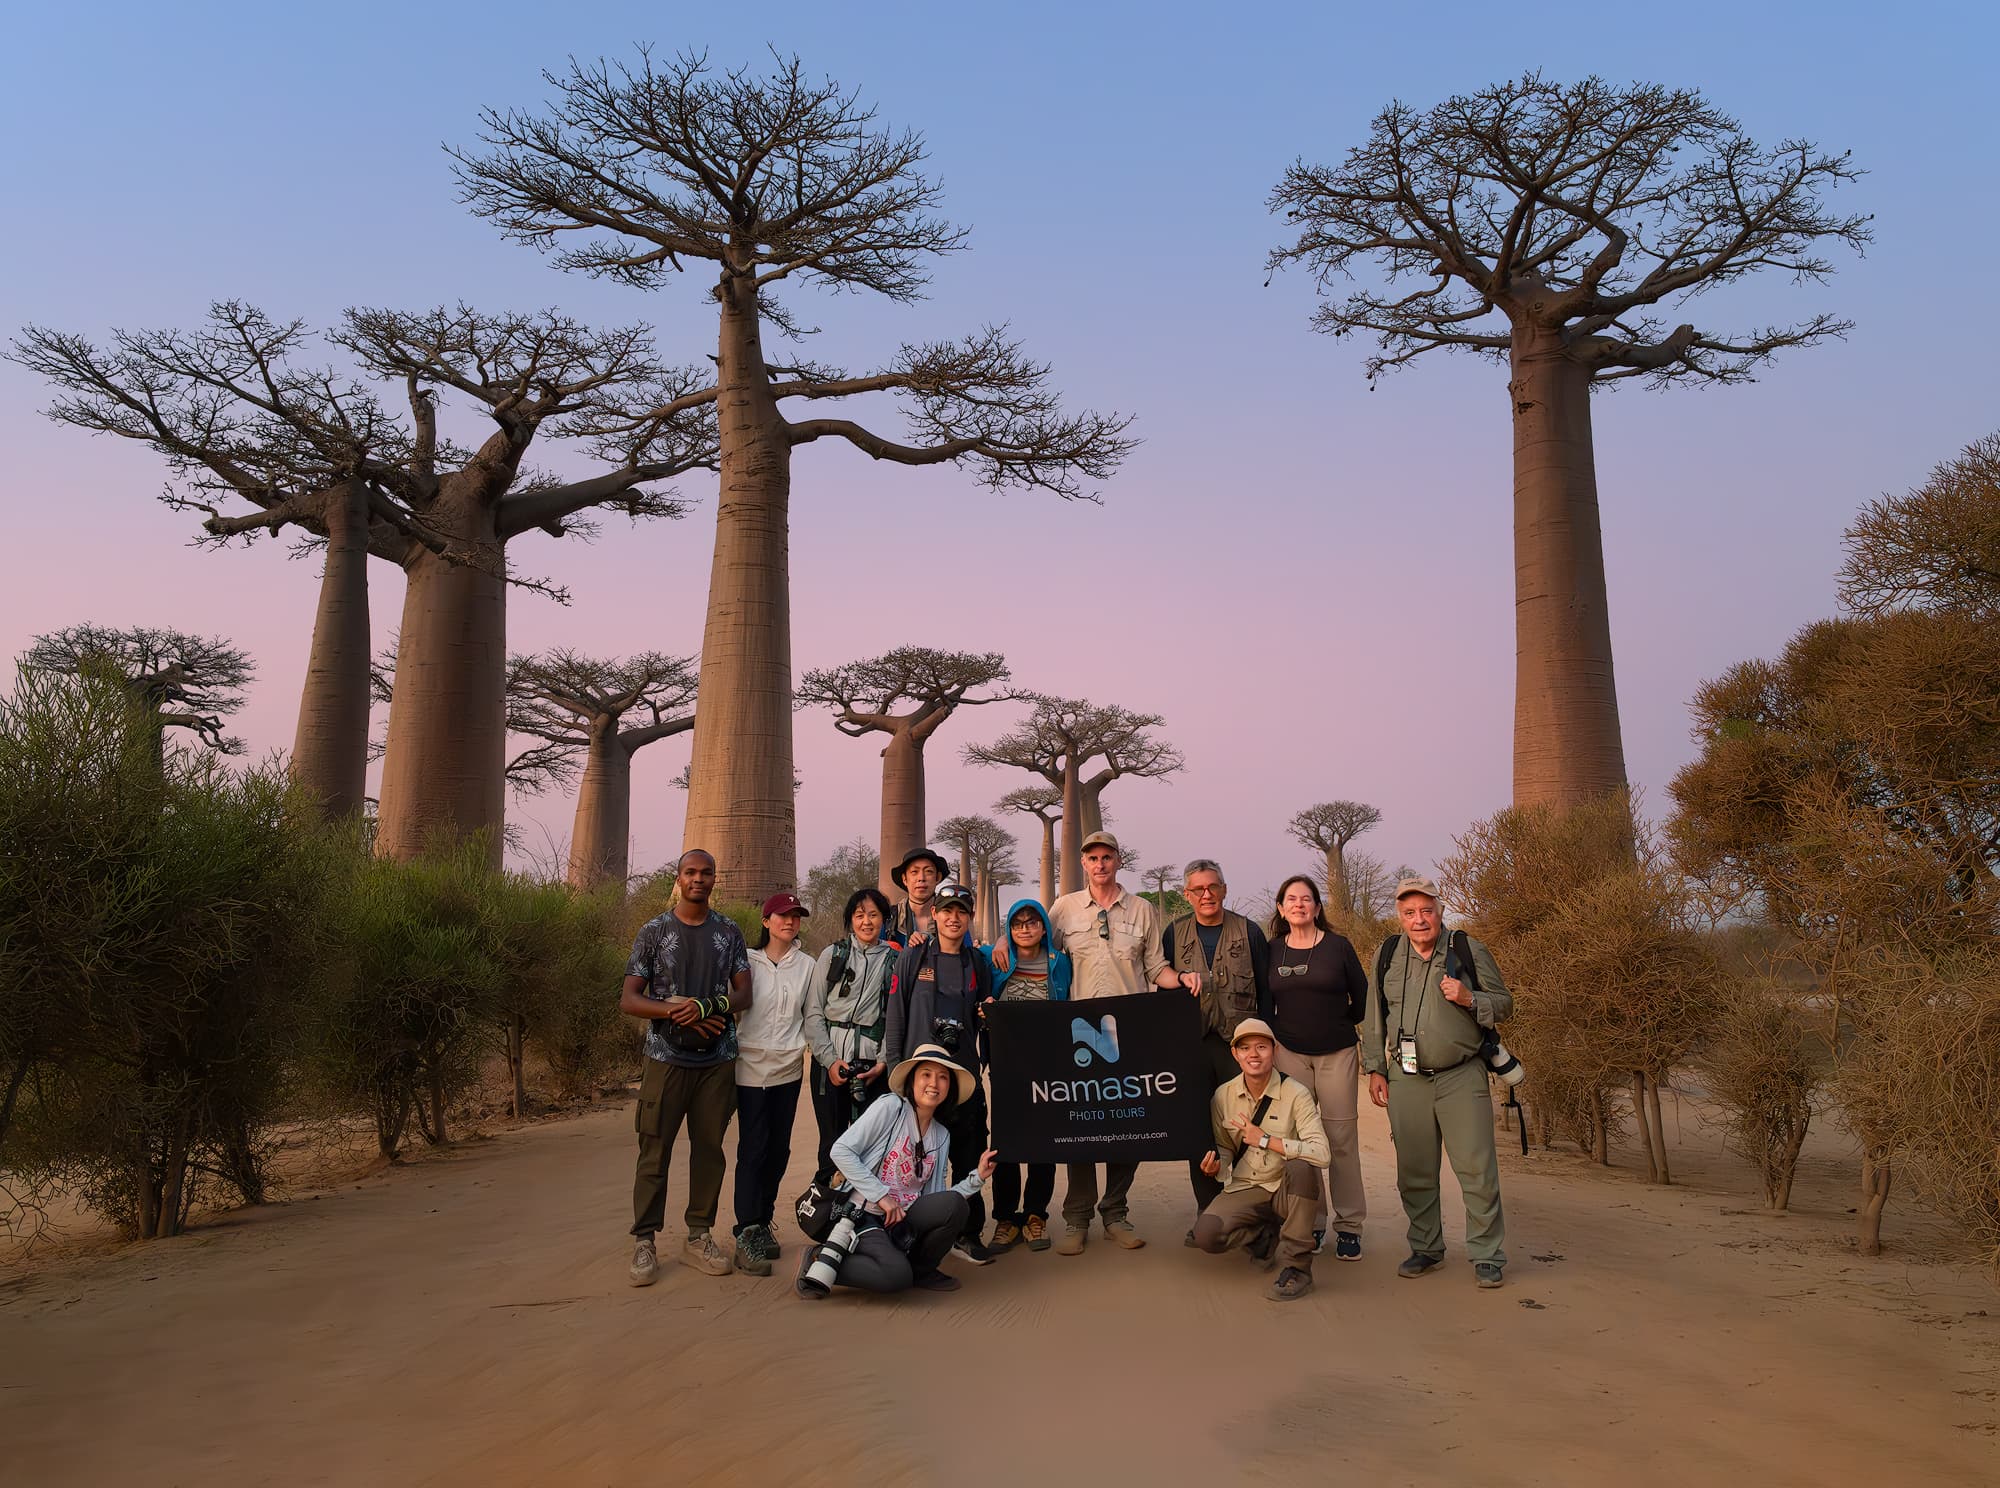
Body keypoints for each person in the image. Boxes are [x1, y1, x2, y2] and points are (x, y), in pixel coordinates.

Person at [1363, 875, 1514, 1289]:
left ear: (1440, 911)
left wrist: (1470, 998)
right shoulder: (1388, 954)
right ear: (1400, 916)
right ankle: (1426, 1247)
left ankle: (1487, 1255)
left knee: (1477, 1170)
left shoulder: (1467, 949)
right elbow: (1374, 1014)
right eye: (1410, 912)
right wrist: (1375, 1067)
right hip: (1406, 1077)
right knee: (1414, 1171)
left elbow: (1505, 1004)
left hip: (1461, 1074)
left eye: (1426, 910)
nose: (1419, 919)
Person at [1043, 831, 1185, 1254]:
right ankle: (1076, 1217)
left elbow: (1156, 967)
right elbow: (1039, 954)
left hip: (1130, 1032)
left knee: (1129, 1124)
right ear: (1083, 863)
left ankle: (1115, 1212)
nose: (1100, 864)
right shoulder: (1064, 908)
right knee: (1081, 1125)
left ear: (1119, 861)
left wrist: (1185, 981)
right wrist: (1000, 946)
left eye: (1107, 857)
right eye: (1092, 858)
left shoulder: (1141, 909)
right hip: (1079, 1033)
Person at [621, 849, 752, 1285]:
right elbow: (630, 998)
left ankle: (699, 1234)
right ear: (678, 879)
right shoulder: (654, 931)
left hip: (717, 1060)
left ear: (715, 879)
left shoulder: (728, 932)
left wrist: (706, 1007)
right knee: (654, 1148)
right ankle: (644, 1240)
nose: (698, 879)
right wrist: (676, 1012)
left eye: (706, 873)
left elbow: (744, 994)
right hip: (666, 1058)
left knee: (709, 1149)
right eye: (691, 872)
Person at [805, 1043, 998, 1296]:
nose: (934, 1083)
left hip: (904, 1219)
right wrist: (882, 1196)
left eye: (943, 1077)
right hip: (865, 1214)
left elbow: (936, 1199)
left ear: (949, 1087)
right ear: (912, 1080)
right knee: (895, 1276)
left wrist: (978, 1177)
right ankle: (818, 1260)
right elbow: (841, 1151)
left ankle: (921, 1271)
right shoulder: (891, 1108)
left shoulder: (941, 1135)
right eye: (926, 1074)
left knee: (954, 1205)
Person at [883, 880, 997, 1264]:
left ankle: (968, 1232)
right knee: (912, 1162)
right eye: (947, 910)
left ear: (970, 917)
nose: (953, 918)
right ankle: (911, 1232)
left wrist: (985, 1014)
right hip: (919, 1081)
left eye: (961, 912)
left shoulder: (977, 962)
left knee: (968, 1155)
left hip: (962, 1078)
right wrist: (897, 1074)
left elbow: (982, 1019)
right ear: (934, 914)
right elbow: (896, 1016)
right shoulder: (913, 957)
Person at [1160, 858, 1271, 1237]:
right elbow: (1163, 989)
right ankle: (1208, 1211)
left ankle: (1247, 1211)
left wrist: (1267, 1046)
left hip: (1240, 1049)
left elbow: (1266, 993)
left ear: (1224, 889)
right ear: (1187, 895)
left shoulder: (1249, 931)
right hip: (1192, 1047)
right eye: (1198, 889)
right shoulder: (1174, 934)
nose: (1206, 895)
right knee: (1200, 1129)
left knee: (1245, 1127)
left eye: (1213, 887)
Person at [1264, 874, 1370, 1261]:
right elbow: (1265, 1004)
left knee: (1341, 1140)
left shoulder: (1338, 947)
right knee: (1302, 1141)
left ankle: (1350, 1226)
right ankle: (1314, 1220)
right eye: (1291, 899)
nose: (1299, 904)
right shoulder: (1272, 950)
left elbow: (1362, 997)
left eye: (1306, 898)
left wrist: (1339, 1025)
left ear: (1317, 907)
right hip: (1289, 1053)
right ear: (1281, 908)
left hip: (1337, 1053)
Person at [1193, 1019, 1331, 1301]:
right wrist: (1217, 1165)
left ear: (1274, 1051)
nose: (1253, 1054)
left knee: (1302, 1167)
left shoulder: (1297, 1093)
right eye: (1245, 1048)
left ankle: (1298, 1268)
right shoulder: (1223, 1096)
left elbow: (1322, 1153)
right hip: (1247, 1186)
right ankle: (1263, 1236)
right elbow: (1224, 1146)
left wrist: (1266, 1139)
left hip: (1286, 1189)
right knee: (1206, 1235)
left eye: (1261, 1047)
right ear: (1235, 1054)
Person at [979, 898, 1072, 1252]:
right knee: (1005, 1138)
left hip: (1046, 1063)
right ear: (1009, 928)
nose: (1025, 929)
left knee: (1043, 1139)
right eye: (1017, 924)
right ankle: (1005, 1218)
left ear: (1044, 927)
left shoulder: (1059, 962)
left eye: (1032, 922)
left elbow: (1067, 1004)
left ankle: (1035, 1215)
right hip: (1006, 1063)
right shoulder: (995, 958)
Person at [730, 892, 814, 1276]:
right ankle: (746, 1229)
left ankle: (763, 1220)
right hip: (749, 1069)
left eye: (796, 916)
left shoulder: (808, 966)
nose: (790, 921)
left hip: (788, 1069)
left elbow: (812, 1015)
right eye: (782, 915)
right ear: (766, 921)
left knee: (779, 1149)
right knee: (753, 1148)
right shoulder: (746, 961)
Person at [803, 887, 898, 1183]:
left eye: (873, 915)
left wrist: (882, 1062)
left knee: (870, 1146)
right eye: (859, 915)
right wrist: (830, 1061)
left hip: (872, 1067)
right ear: (850, 920)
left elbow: (896, 1017)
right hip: (829, 1065)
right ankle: (824, 1206)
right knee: (831, 1145)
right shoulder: (833, 955)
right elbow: (813, 1012)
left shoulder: (895, 960)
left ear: (884, 919)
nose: (866, 921)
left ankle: (863, 1209)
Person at [887, 845, 951, 947]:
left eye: (928, 871)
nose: (921, 878)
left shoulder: (951, 918)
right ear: (904, 879)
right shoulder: (890, 918)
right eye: (914, 872)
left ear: (938, 877)